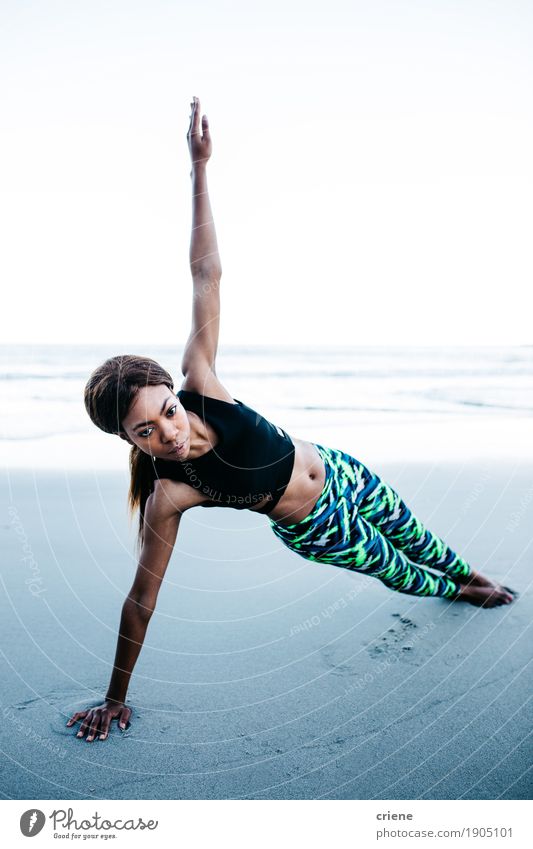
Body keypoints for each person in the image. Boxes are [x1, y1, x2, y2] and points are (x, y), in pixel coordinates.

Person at [67, 97, 516, 743]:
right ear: (124, 438)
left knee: (414, 534)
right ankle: (452, 590)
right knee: (400, 570)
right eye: (145, 431)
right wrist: (113, 697)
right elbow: (141, 600)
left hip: (340, 469)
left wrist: (199, 169)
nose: (167, 431)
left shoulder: (202, 383)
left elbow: (205, 273)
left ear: (173, 390)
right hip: (315, 527)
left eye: (165, 411)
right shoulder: (169, 493)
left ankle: (466, 573)